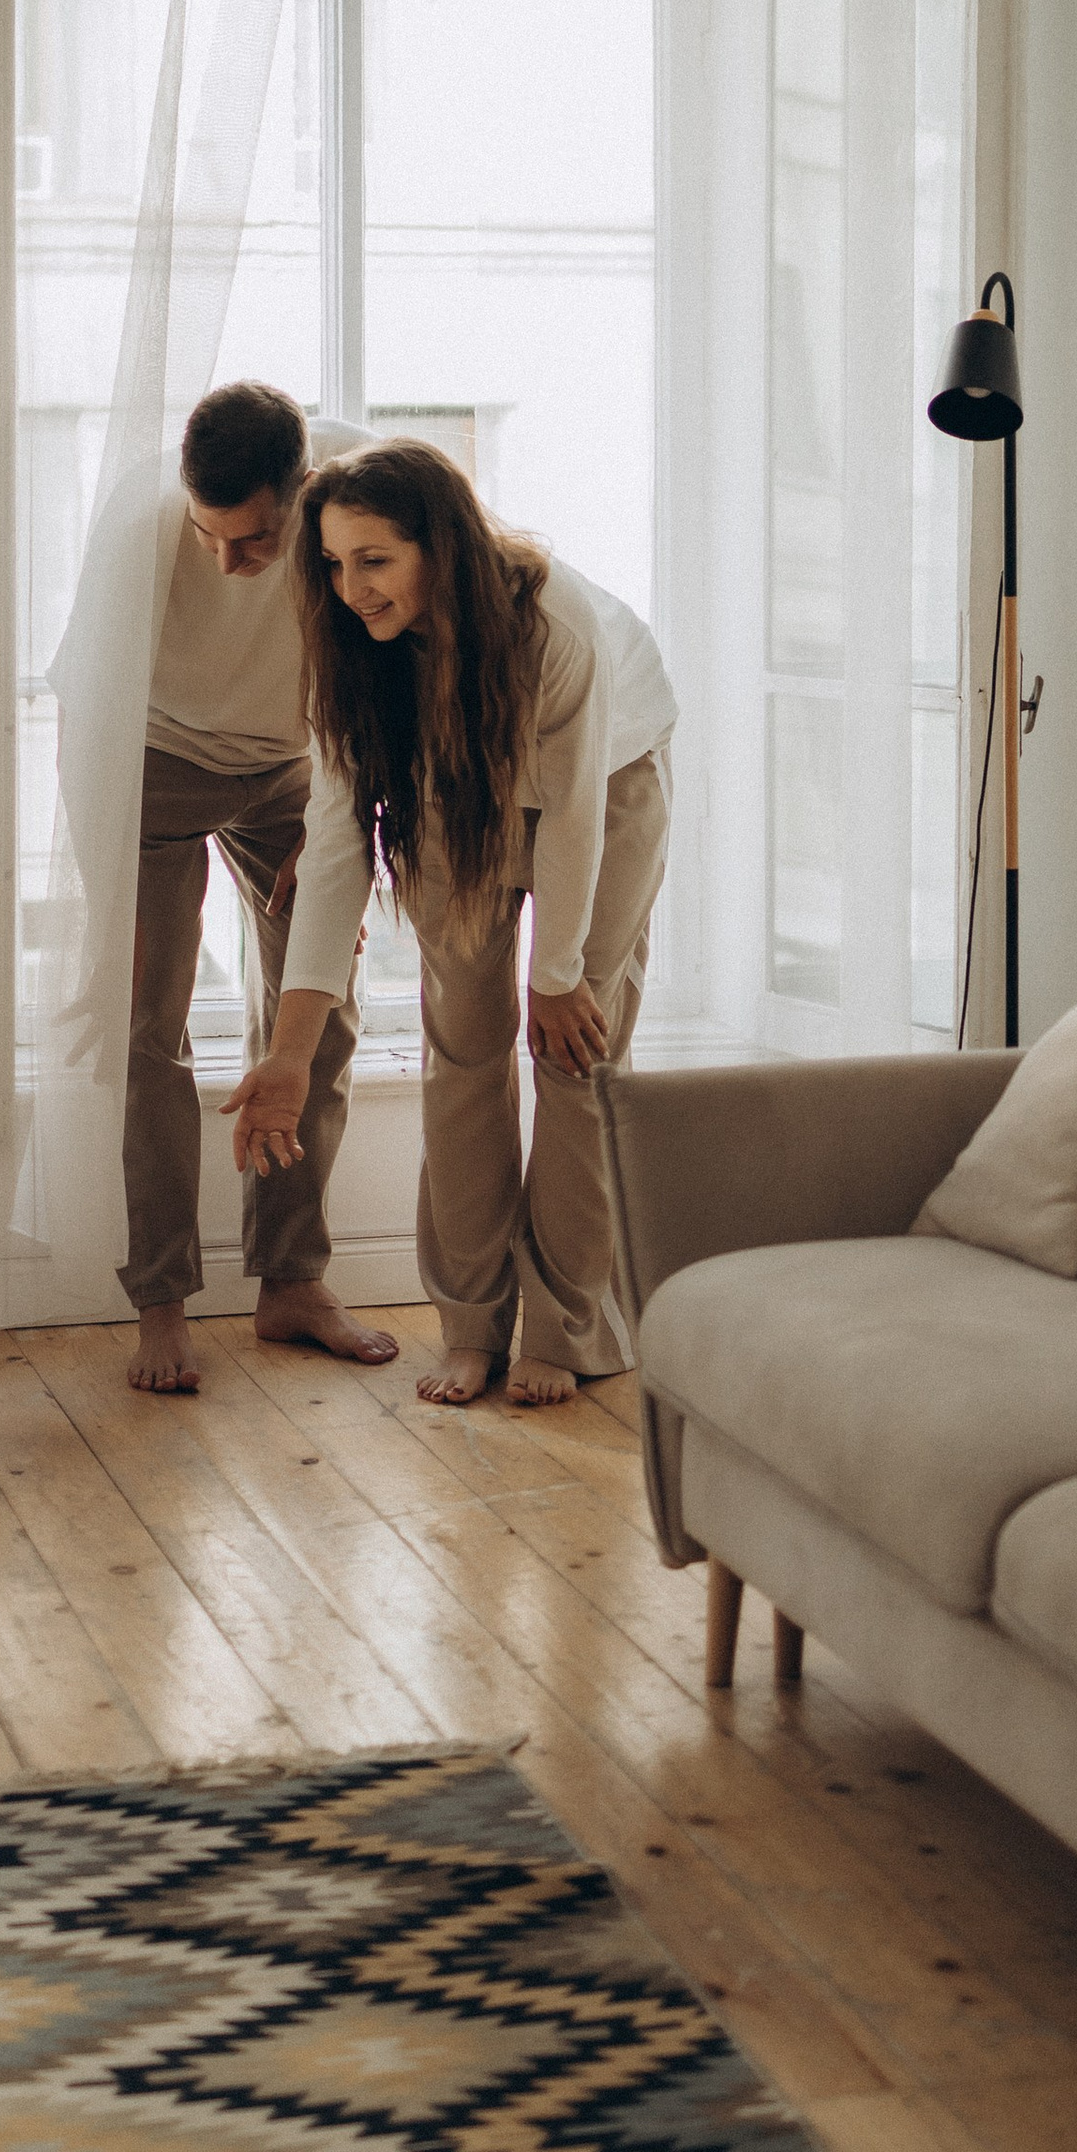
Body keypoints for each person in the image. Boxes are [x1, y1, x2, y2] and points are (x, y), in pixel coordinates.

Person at [225, 440, 674, 1411]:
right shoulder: (355, 642)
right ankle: (472, 1328)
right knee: (462, 1051)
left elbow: (572, 820)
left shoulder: (555, 627)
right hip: (451, 796)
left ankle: (566, 1329)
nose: (350, 589)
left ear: (444, 548)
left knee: (576, 1058)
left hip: (605, 788)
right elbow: (338, 839)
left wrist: (555, 974)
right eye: (335, 564)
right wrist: (291, 1054)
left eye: (374, 561)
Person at [54, 379, 397, 1396]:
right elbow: (86, 713)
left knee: (318, 1007)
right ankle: (161, 1299)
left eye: (251, 543)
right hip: (150, 758)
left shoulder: (360, 496)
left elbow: (389, 672)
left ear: (303, 493)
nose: (226, 561)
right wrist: (103, 894)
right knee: (146, 1021)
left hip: (297, 766)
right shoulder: (143, 526)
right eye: (210, 537)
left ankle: (291, 1281)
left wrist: (351, 826)